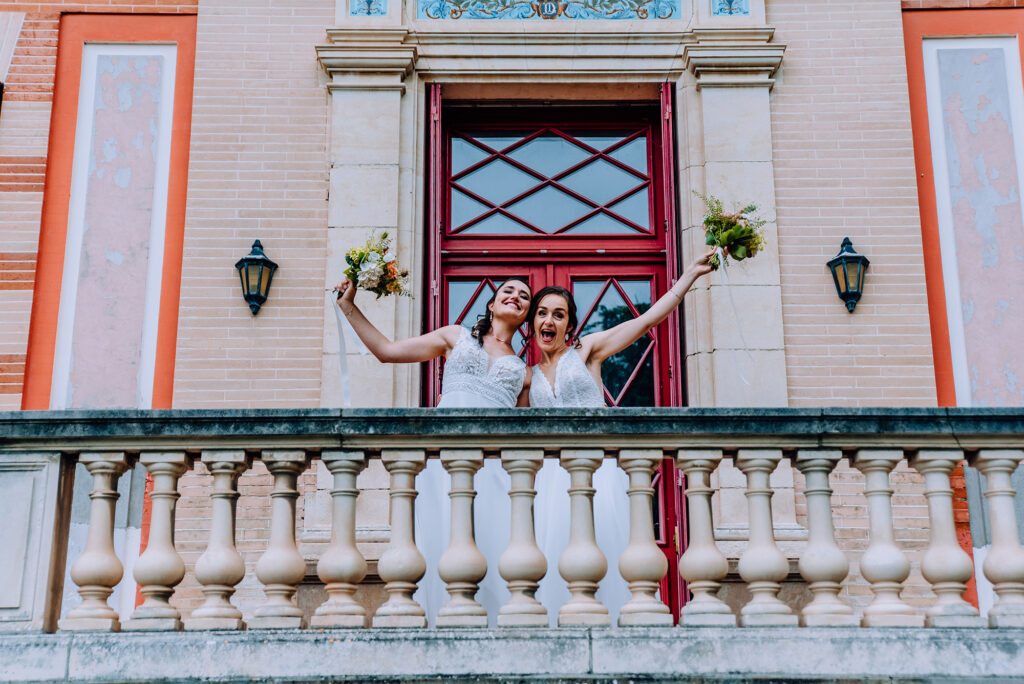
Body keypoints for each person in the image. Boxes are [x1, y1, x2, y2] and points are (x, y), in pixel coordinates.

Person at [521, 247, 717, 623]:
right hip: (551, 478)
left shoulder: (587, 350)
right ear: (533, 323)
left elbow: (644, 322)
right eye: (542, 313)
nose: (550, 320)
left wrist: (688, 277)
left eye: (558, 315)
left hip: (599, 468)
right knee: (556, 548)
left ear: (569, 326)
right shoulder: (528, 376)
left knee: (607, 547)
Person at [333, 275, 532, 626]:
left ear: (527, 314)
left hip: (494, 472)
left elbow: (524, 435)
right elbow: (387, 351)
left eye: (524, 296)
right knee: (442, 544)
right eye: (508, 291)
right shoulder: (454, 337)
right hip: (444, 463)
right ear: (491, 303)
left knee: (493, 545)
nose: (516, 296)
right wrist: (349, 306)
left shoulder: (523, 372)